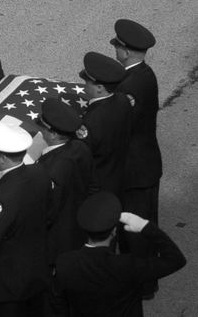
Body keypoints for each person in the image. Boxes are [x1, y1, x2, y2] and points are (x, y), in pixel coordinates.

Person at [55, 191, 187, 317]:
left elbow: (58, 306)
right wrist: (145, 226)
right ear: (114, 231)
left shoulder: (65, 264)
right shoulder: (128, 266)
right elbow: (176, 259)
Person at [0, 120, 51, 317]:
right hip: (37, 271)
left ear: (3, 158)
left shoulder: (3, 195)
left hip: (8, 284)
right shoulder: (39, 173)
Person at [111, 19, 162, 297]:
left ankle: (141, 285)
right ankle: (147, 279)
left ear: (127, 51)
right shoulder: (145, 74)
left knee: (136, 230)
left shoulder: (129, 87)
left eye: (117, 45)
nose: (115, 49)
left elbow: (119, 127)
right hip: (146, 165)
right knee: (145, 226)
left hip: (134, 171)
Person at [36, 98, 95, 258]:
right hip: (78, 225)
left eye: (43, 128)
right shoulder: (80, 147)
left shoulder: (51, 169)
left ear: (54, 134)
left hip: (57, 240)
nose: (41, 131)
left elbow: (48, 211)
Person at [80, 51, 132, 195]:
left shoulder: (90, 122)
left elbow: (83, 158)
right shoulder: (123, 100)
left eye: (87, 82)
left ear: (99, 88)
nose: (85, 86)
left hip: (98, 186)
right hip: (120, 175)